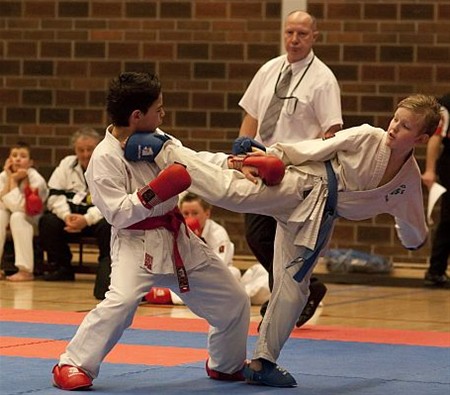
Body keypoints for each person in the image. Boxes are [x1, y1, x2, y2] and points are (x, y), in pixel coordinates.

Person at [128, 93, 441, 387]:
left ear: (422, 139)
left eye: (405, 127)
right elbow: (316, 148)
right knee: (230, 193)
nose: (394, 127)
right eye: (396, 119)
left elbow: (412, 225)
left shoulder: (408, 182)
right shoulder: (367, 136)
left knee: (294, 289)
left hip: (317, 219)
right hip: (302, 184)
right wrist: (272, 155)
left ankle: (263, 362)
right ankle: (166, 149)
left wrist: (413, 242)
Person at [50, 72, 250, 391]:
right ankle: (72, 363)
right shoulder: (103, 159)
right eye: (159, 108)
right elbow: (116, 213)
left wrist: (234, 163)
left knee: (235, 299)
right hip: (134, 242)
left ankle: (226, 364)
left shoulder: (157, 140)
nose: (163, 114)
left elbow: (193, 161)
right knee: (122, 302)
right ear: (136, 116)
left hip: (176, 238)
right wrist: (154, 191)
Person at [238, 10, 342, 327]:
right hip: (259, 162)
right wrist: (243, 156)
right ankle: (306, 288)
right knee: (256, 236)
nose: (294, 40)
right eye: (289, 33)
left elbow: (332, 132)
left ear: (314, 37)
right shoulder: (269, 69)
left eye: (302, 34)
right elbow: (251, 117)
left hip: (295, 171)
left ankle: (284, 301)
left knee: (283, 239)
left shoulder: (323, 80)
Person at [39, 127, 112, 300]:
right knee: (48, 222)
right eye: (81, 150)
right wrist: (66, 216)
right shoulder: (66, 164)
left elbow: (111, 202)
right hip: (71, 217)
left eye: (90, 149)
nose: (85, 154)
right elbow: (54, 196)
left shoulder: (108, 165)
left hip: (97, 218)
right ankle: (62, 268)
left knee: (109, 226)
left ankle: (106, 271)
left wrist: (86, 220)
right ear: (75, 150)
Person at [0, 142, 48, 281]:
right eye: (14, 155)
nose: (17, 159)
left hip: (35, 219)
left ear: (30, 162)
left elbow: (23, 207)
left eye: (23, 156)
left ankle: (25, 270)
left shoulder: (36, 180)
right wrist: (10, 178)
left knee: (17, 216)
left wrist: (13, 182)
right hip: (11, 215)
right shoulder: (4, 176)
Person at [421, 93, 450, 287]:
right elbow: (435, 138)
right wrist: (430, 170)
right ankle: (436, 270)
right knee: (448, 219)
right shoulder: (445, 104)